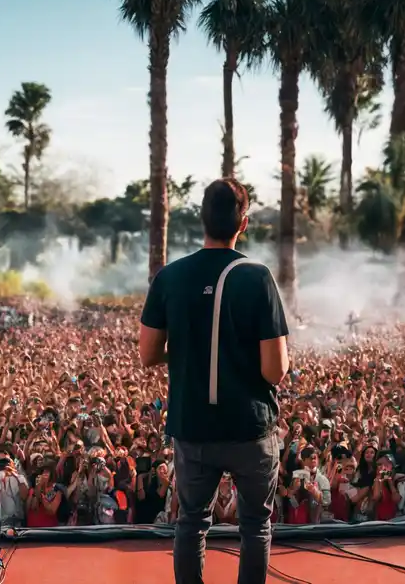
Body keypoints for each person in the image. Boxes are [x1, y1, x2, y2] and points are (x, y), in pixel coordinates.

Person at [139, 177, 289, 584]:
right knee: (255, 526)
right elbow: (275, 370)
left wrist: (192, 352)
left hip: (193, 427)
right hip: (249, 428)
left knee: (190, 523)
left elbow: (148, 354)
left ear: (201, 220)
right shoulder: (257, 278)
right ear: (244, 223)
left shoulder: (168, 278)